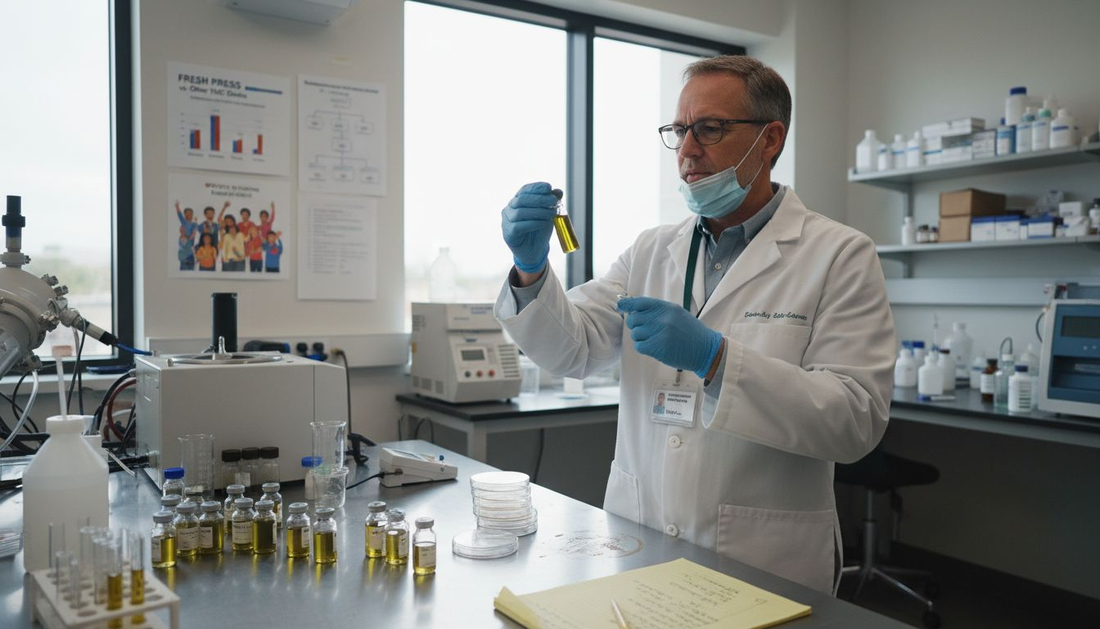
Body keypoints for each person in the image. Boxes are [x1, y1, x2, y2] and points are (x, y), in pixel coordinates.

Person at [494, 55, 895, 594]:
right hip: (644, 536)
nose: (686, 150)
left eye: (710, 128)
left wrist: (717, 360)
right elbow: (577, 350)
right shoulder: (651, 250)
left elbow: (854, 420)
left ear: (770, 139)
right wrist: (531, 269)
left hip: (765, 559)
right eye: (679, 130)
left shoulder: (840, 254)